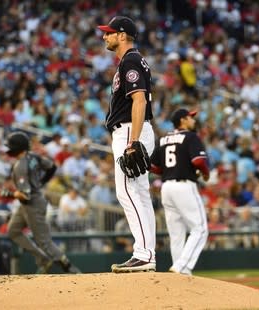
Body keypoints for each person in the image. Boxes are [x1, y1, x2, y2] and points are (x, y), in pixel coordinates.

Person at [97, 16, 156, 272]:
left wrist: (132, 141)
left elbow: (139, 101)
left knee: (127, 191)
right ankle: (148, 253)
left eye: (109, 33)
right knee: (140, 193)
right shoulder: (133, 60)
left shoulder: (131, 60)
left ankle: (143, 253)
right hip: (136, 130)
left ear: (122, 35)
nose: (104, 36)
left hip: (131, 130)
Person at [2, 131, 80, 274]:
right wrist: (41, 182)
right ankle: (42, 259)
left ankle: (71, 269)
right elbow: (52, 167)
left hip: (32, 205)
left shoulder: (20, 166)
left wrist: (9, 194)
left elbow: (25, 195)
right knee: (13, 230)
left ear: (16, 148)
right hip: (31, 203)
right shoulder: (34, 156)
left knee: (44, 242)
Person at [150, 108, 209, 275]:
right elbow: (198, 161)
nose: (193, 120)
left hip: (166, 187)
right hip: (184, 186)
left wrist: (171, 170)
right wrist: (206, 173)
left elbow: (153, 166)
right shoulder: (190, 137)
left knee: (176, 234)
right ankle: (181, 267)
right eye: (191, 118)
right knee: (200, 229)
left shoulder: (164, 139)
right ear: (183, 120)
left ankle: (180, 273)